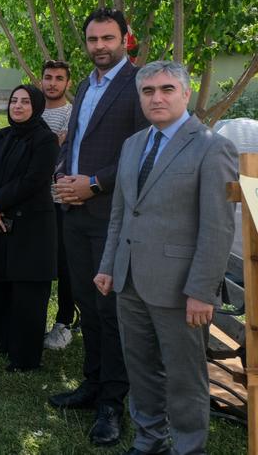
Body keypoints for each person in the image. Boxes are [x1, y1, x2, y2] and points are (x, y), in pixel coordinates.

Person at [95, 61, 236, 455]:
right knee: (140, 370)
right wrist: (108, 267)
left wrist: (202, 291)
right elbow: (121, 214)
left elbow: (218, 228)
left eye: (166, 89)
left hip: (180, 288)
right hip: (129, 281)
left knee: (184, 377)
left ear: (186, 93)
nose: (156, 97)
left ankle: (189, 448)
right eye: (148, 91)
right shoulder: (133, 144)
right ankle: (149, 440)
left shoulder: (212, 146)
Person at [49, 9, 148, 448]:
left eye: (108, 38)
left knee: (110, 311)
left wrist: (93, 184)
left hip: (111, 213)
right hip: (74, 212)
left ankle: (113, 403)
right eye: (92, 39)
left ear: (125, 39)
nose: (99, 46)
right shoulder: (87, 84)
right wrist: (61, 175)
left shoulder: (141, 84)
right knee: (88, 304)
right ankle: (90, 385)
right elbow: (73, 140)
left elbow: (143, 152)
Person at [0, 85, 59, 371]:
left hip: (30, 226)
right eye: (14, 101)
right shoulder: (1, 135)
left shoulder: (46, 140)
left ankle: (23, 357)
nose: (18, 106)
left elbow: (32, 181)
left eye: (25, 102)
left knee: (27, 294)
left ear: (37, 106)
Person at [40, 59, 76, 351]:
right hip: (32, 200)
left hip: (60, 200)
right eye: (48, 77)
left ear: (68, 83)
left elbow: (62, 149)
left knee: (65, 265)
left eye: (59, 78)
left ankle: (65, 321)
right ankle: (34, 319)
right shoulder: (32, 108)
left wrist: (47, 141)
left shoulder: (72, 115)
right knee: (37, 263)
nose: (52, 83)